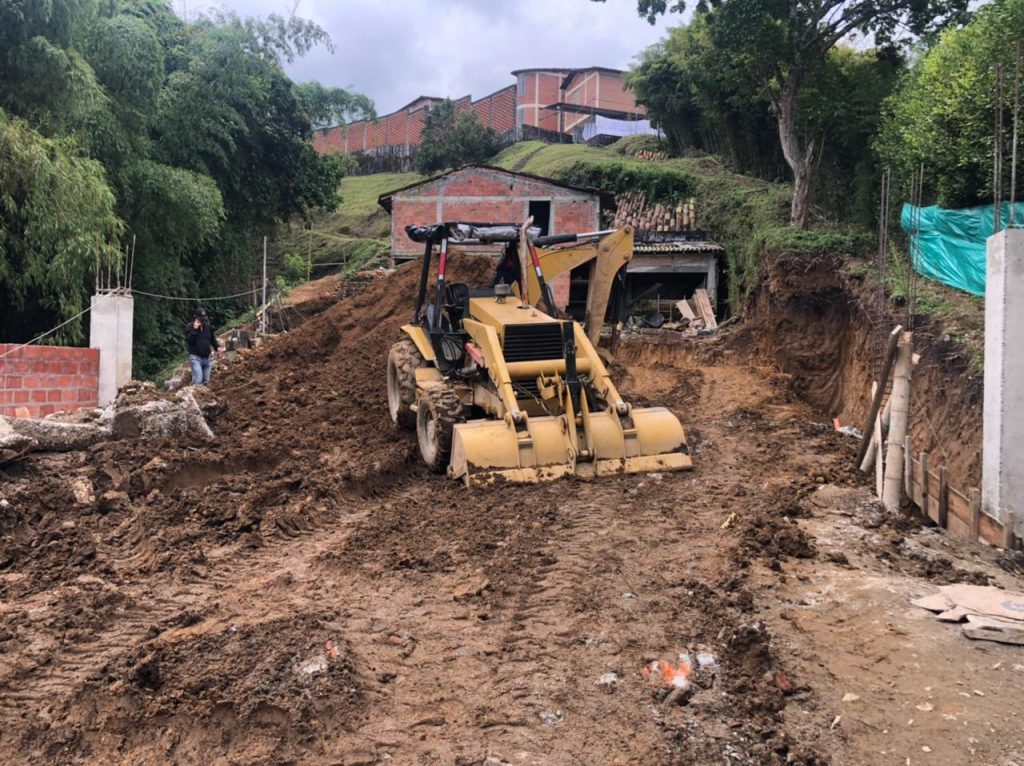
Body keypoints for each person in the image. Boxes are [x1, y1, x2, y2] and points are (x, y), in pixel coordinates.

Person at [185, 307, 219, 385]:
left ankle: (204, 397)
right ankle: (191, 394)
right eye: (201, 319)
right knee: (198, 380)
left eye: (204, 318)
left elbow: (212, 339)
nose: (202, 321)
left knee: (206, 381)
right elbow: (189, 340)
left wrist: (218, 348)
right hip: (195, 358)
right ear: (196, 318)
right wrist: (194, 329)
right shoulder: (190, 327)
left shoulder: (208, 327)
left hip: (207, 358)